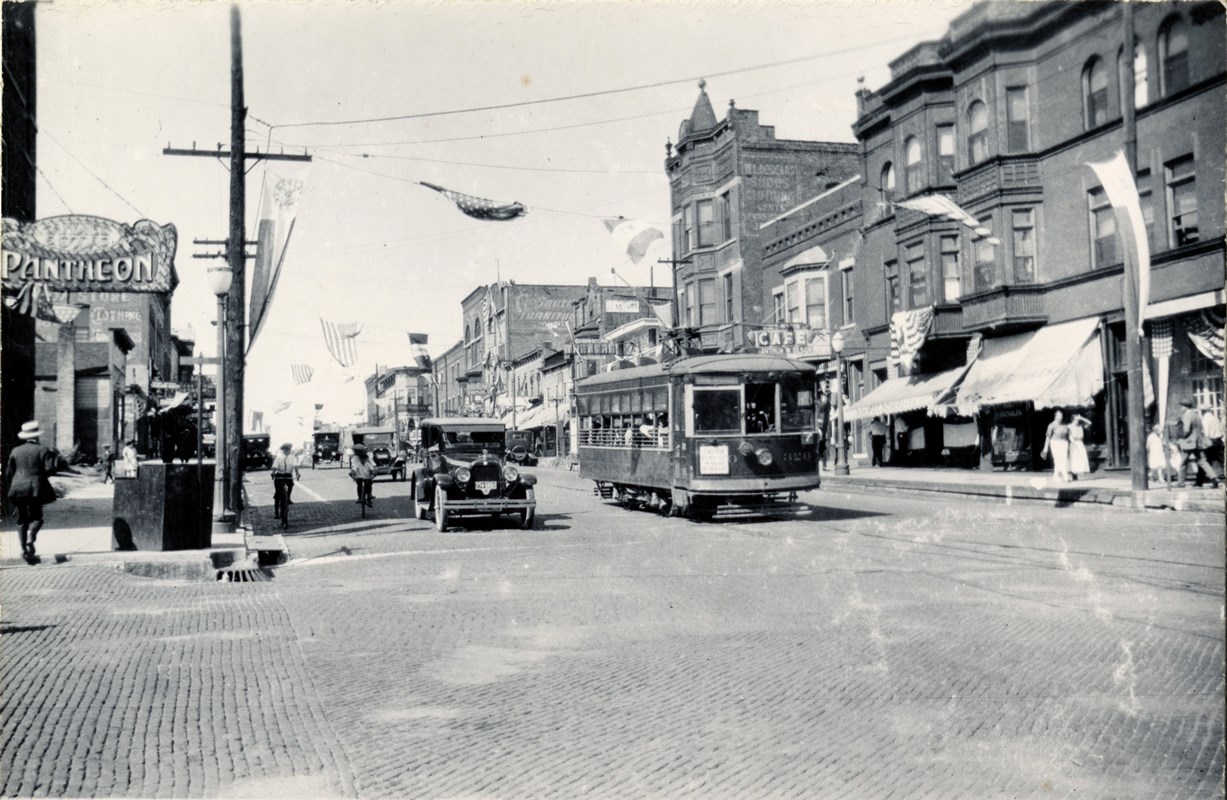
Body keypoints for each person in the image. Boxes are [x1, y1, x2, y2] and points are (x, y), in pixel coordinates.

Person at [6, 421, 57, 565]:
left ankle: (23, 548)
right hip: (36, 489)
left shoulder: (15, 450)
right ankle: (31, 537)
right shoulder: (43, 450)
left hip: (17, 489)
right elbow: (50, 471)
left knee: (22, 519)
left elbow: (9, 472)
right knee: (37, 517)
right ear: (37, 435)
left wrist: (14, 484)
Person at [1178, 399, 1220, 489]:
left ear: (1185, 407)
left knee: (1183, 463)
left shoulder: (1186, 416)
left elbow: (1186, 430)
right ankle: (1214, 478)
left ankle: (1181, 482)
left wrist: (1181, 437)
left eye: (1181, 407)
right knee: (1202, 461)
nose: (1180, 409)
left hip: (1188, 443)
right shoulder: (1196, 415)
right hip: (1198, 442)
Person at [270, 443, 301, 523]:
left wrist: (297, 474)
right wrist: (273, 473)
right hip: (279, 476)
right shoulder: (279, 457)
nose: (286, 451)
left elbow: (296, 466)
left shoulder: (292, 457)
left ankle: (288, 498)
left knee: (290, 485)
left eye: (288, 450)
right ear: (283, 450)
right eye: (285, 450)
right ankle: (276, 512)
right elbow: (275, 466)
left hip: (288, 475)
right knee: (278, 493)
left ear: (290, 450)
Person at [1040, 409, 1071, 482]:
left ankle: (1055, 476)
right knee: (1057, 459)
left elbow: (1069, 435)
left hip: (1064, 443)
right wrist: (1045, 448)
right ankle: (1065, 476)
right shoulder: (1051, 425)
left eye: (1061, 416)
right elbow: (1048, 437)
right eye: (1059, 416)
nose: (1060, 417)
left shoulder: (1064, 425)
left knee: (1063, 459)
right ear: (1055, 416)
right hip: (1055, 443)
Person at [1201, 404, 1224, 477]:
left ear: (1203, 411)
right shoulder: (1214, 418)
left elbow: (1206, 432)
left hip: (1211, 441)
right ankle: (1201, 480)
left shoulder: (1205, 420)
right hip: (1219, 440)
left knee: (1205, 461)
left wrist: (1204, 442)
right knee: (1221, 459)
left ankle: (1202, 480)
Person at [1068, 413, 1092, 480]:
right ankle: (1073, 474)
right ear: (1072, 420)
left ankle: (1078, 474)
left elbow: (1090, 423)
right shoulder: (1069, 426)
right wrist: (1074, 443)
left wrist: (1081, 418)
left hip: (1080, 442)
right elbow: (1069, 436)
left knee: (1081, 457)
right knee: (1074, 458)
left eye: (1078, 420)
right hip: (1074, 443)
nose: (1077, 421)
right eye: (1076, 420)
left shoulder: (1080, 426)